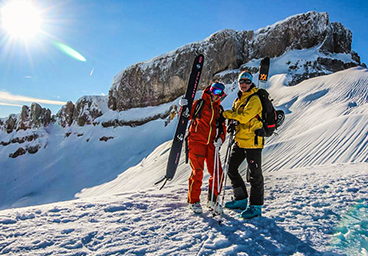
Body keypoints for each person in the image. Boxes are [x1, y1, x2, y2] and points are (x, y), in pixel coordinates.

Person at [221, 71, 264, 219]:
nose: (244, 84)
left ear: (251, 83)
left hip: (253, 142)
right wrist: (232, 121)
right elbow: (237, 116)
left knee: (255, 175)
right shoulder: (238, 99)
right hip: (240, 140)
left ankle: (256, 207)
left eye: (247, 81)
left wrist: (228, 115)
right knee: (231, 168)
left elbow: (245, 117)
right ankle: (241, 199)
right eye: (241, 82)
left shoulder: (254, 99)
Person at [180, 82, 226, 214]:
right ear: (210, 90)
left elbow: (222, 128)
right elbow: (185, 116)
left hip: (211, 144)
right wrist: (183, 107)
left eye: (219, 93)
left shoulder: (219, 109)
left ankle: (212, 200)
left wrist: (220, 139)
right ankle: (193, 201)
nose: (216, 95)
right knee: (198, 172)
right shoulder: (199, 104)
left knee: (218, 173)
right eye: (214, 91)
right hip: (196, 142)